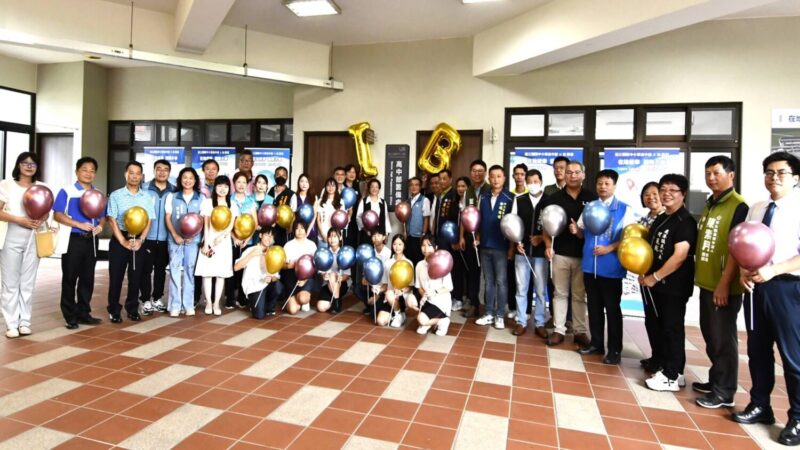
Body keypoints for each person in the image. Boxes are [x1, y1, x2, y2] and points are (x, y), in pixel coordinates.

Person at [733, 152, 800, 447]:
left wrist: (774, 269)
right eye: (769, 172)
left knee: (792, 356)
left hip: (787, 288)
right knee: (758, 350)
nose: (774, 178)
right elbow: (743, 244)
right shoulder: (757, 208)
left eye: (781, 173)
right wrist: (742, 272)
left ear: (796, 178)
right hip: (756, 288)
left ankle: (797, 418)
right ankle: (760, 405)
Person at [693, 156, 748, 408]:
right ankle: (716, 379)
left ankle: (724, 392)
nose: (711, 178)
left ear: (731, 175)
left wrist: (725, 283)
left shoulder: (738, 206)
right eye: (708, 173)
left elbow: (737, 248)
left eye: (716, 173)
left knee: (723, 338)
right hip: (708, 282)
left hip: (723, 286)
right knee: (711, 334)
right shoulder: (711, 203)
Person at [640, 174, 697, 392]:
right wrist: (645, 272)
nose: (666, 194)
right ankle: (665, 366)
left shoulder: (685, 221)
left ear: (683, 194)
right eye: (663, 189)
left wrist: (654, 277)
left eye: (673, 190)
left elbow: (679, 256)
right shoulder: (663, 217)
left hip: (673, 286)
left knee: (672, 328)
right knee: (658, 325)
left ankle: (672, 375)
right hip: (656, 285)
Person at [575, 170, 635, 364]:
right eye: (600, 183)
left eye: (607, 183)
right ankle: (596, 344)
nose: (602, 187)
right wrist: (576, 231)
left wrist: (610, 248)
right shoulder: (590, 207)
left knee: (612, 309)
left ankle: (615, 350)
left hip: (611, 268)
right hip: (589, 266)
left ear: (614, 186)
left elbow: (630, 238)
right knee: (593, 308)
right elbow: (581, 232)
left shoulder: (624, 209)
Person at [0, 152, 56, 338]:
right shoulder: (6, 184)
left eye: (33, 163)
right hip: (12, 235)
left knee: (28, 282)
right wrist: (19, 220)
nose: (29, 166)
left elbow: (46, 211)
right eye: (25, 163)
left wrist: (41, 219)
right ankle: (11, 324)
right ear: (18, 165)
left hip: (34, 235)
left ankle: (24, 322)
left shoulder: (43, 187)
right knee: (10, 282)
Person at [543, 160, 597, 346]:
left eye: (576, 172)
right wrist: (548, 246)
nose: (572, 176)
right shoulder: (554, 198)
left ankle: (580, 331)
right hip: (560, 254)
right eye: (569, 172)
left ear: (583, 175)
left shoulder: (592, 198)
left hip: (584, 256)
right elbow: (546, 226)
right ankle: (559, 330)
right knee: (559, 293)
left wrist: (580, 232)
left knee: (580, 295)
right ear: (564, 175)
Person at [53, 156, 105, 329]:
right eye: (84, 170)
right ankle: (70, 315)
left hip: (92, 240)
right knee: (70, 277)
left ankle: (84, 312)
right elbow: (57, 214)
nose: (88, 173)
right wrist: (78, 224)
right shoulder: (67, 191)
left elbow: (102, 216)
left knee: (87, 278)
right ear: (76, 172)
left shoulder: (97, 193)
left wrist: (101, 226)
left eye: (92, 171)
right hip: (73, 239)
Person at [105, 161, 156, 324]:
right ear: (125, 174)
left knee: (136, 276)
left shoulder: (146, 197)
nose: (134, 176)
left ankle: (132, 308)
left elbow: (149, 220)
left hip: (138, 239)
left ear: (142, 176)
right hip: (120, 238)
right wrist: (122, 241)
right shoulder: (116, 195)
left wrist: (141, 240)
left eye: (138, 173)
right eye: (131, 173)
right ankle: (114, 310)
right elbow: (111, 219)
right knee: (116, 276)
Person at [474, 165, 515, 329]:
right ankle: (489, 313)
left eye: (499, 176)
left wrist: (511, 248)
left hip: (501, 247)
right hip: (485, 245)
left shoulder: (510, 198)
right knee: (488, 281)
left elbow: (513, 225)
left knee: (501, 281)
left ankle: (500, 315)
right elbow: (478, 220)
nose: (495, 179)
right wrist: (477, 238)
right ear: (488, 178)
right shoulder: (483, 197)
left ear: (504, 178)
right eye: (492, 176)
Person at [511, 169, 548, 338]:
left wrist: (541, 238)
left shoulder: (549, 200)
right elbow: (513, 223)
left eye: (536, 181)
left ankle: (540, 323)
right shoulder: (519, 200)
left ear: (541, 182)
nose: (533, 185)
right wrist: (517, 243)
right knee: (521, 289)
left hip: (541, 253)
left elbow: (553, 226)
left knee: (540, 290)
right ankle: (521, 321)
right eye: (530, 182)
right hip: (522, 252)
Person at [164, 167, 203, 317]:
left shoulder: (201, 198)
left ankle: (188, 304)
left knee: (189, 271)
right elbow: (168, 218)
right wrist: (175, 235)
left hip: (193, 242)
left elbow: (203, 220)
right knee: (174, 271)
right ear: (180, 180)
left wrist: (195, 234)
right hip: (175, 240)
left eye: (191, 178)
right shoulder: (172, 196)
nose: (187, 180)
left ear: (195, 180)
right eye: (184, 177)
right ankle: (174, 305)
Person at [195, 175, 235, 316]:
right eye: (219, 186)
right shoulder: (208, 203)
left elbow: (231, 225)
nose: (222, 189)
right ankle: (209, 302)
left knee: (220, 274)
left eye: (225, 186)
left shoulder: (232, 204)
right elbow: (206, 225)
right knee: (207, 273)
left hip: (224, 243)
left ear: (229, 188)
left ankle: (216, 303)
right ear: (215, 187)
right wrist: (206, 243)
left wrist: (222, 236)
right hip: (210, 240)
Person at [140, 159, 174, 315]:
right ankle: (145, 300)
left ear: (169, 172)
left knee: (161, 270)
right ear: (154, 171)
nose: (162, 172)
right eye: (159, 169)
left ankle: (158, 298)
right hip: (147, 237)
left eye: (165, 169)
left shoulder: (174, 191)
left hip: (166, 238)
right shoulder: (144, 188)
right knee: (145, 270)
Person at [460, 159, 490, 318]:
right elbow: (464, 215)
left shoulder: (490, 189)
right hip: (470, 238)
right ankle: (474, 304)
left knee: (487, 274)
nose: (477, 173)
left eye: (480, 171)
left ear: (485, 173)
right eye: (474, 171)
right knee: (473, 272)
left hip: (486, 238)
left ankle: (486, 305)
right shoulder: (468, 191)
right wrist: (461, 237)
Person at [234, 228, 283, 319]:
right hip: (254, 287)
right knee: (259, 316)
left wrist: (271, 278)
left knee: (278, 286)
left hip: (267, 284)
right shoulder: (251, 250)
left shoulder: (273, 253)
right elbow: (236, 267)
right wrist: (251, 255)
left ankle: (269, 308)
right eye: (267, 235)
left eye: (271, 236)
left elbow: (276, 276)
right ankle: (255, 305)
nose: (269, 238)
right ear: (260, 235)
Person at [432, 169, 463, 311]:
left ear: (450, 179)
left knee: (454, 268)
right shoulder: (440, 195)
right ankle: (445, 296)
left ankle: (457, 297)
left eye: (445, 179)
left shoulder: (454, 195)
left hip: (451, 239)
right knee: (443, 267)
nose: (442, 181)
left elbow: (457, 219)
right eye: (440, 179)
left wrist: (456, 239)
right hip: (440, 238)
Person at [226, 171, 258, 309]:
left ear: (247, 184)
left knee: (244, 269)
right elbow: (225, 223)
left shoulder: (251, 201)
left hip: (247, 241)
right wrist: (234, 237)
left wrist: (247, 239)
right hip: (230, 240)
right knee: (230, 269)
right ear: (234, 183)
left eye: (244, 182)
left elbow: (255, 223)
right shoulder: (228, 200)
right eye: (238, 182)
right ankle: (229, 298)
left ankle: (241, 297)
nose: (241, 185)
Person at [415, 234, 453, 336]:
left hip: (440, 303)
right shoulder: (419, 265)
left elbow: (449, 287)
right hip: (428, 301)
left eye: (429, 245)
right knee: (419, 324)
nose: (425, 248)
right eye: (423, 245)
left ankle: (443, 320)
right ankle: (431, 321)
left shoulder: (442, 263)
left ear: (436, 247)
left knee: (421, 320)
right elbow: (419, 287)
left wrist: (435, 292)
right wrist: (423, 295)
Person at [506, 163, 529, 320]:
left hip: (525, 242)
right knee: (511, 277)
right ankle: (513, 307)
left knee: (526, 279)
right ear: (513, 176)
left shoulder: (529, 195)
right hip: (510, 241)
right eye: (517, 174)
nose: (519, 177)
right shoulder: (509, 195)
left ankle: (525, 311)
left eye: (522, 174)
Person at [282, 221, 318, 314]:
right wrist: (287, 266)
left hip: (308, 277)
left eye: (302, 228)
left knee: (303, 299)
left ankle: (304, 299)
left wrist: (305, 280)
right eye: (297, 228)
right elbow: (282, 265)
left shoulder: (312, 245)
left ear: (306, 230)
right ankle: (294, 299)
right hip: (291, 276)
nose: (300, 231)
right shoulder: (288, 245)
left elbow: (315, 266)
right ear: (294, 230)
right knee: (292, 310)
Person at [384, 234, 416, 328]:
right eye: (394, 244)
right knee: (389, 294)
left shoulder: (408, 263)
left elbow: (411, 285)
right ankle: (398, 314)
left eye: (400, 244)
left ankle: (401, 312)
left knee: (410, 301)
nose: (397, 247)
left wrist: (401, 291)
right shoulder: (388, 263)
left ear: (404, 246)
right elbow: (385, 283)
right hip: (391, 296)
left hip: (404, 295)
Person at [315, 229, 349, 314]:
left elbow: (347, 275)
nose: (332, 239)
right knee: (320, 307)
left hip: (341, 284)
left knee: (333, 274)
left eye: (335, 236)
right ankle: (335, 300)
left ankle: (336, 301)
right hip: (327, 284)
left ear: (340, 237)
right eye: (330, 236)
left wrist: (341, 278)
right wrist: (324, 276)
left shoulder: (344, 253)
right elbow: (321, 272)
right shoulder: (324, 253)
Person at [405, 176, 431, 267]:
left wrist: (423, 234)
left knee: (419, 262)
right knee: (409, 262)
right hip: (409, 237)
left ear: (420, 187)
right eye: (411, 185)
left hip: (419, 238)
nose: (414, 187)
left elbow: (426, 218)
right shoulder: (407, 201)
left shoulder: (424, 200)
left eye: (416, 185)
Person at [316, 178, 344, 248]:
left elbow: (343, 219)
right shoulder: (321, 201)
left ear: (336, 187)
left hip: (336, 237)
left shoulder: (340, 201)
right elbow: (318, 219)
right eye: (328, 185)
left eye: (333, 185)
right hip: (323, 235)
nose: (330, 187)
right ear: (325, 187)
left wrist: (337, 236)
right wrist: (323, 234)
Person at [272, 167, 296, 246]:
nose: (280, 177)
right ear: (274, 176)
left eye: (283, 175)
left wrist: (290, 227)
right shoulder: (269, 191)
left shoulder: (291, 194)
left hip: (284, 231)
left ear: (287, 177)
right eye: (278, 175)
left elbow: (293, 213)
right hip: (270, 230)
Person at [295, 173, 317, 242]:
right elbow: (293, 215)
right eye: (302, 181)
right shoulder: (294, 197)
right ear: (298, 183)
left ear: (309, 183)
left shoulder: (314, 197)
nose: (304, 184)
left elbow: (314, 215)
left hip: (311, 230)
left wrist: (308, 230)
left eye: (306, 182)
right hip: (298, 231)